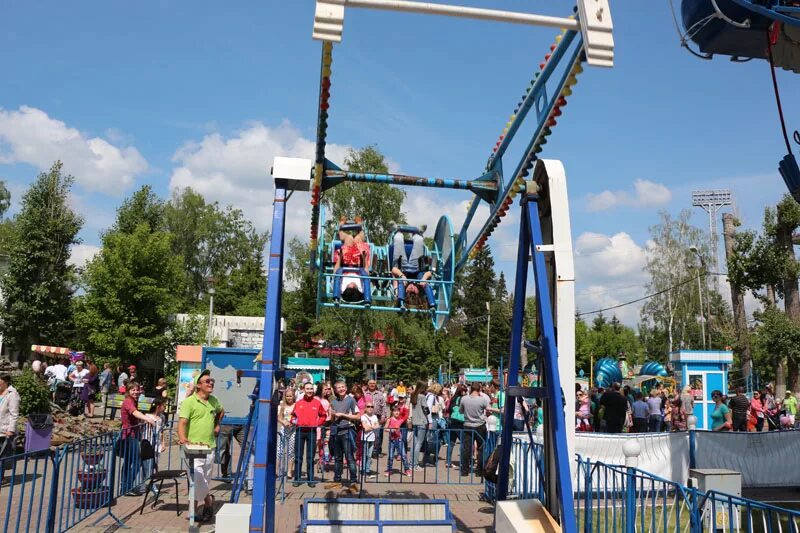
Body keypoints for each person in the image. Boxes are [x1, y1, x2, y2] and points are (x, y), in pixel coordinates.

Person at [178, 370, 224, 522]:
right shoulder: (189, 402)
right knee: (196, 478)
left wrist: (217, 424)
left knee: (204, 479)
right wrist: (183, 439)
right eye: (207, 381)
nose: (211, 383)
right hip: (193, 448)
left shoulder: (214, 400)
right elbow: (182, 423)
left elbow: (221, 411)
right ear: (198, 385)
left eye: (212, 381)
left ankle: (194, 510)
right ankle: (208, 502)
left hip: (210, 446)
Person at [120, 380, 157, 495]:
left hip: (132, 434)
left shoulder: (133, 401)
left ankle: (125, 486)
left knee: (128, 461)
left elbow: (135, 415)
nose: (136, 392)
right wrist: (148, 419)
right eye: (133, 390)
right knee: (136, 461)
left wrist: (142, 420)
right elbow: (134, 412)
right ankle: (127, 487)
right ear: (128, 391)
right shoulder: (128, 401)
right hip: (129, 435)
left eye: (137, 389)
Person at [325, 380, 361, 491]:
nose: (341, 389)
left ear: (346, 388)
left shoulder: (351, 400)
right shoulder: (334, 402)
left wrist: (343, 415)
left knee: (350, 458)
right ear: (335, 390)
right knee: (337, 459)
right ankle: (337, 481)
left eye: (343, 387)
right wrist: (331, 415)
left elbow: (358, 416)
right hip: (336, 431)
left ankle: (354, 482)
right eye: (338, 388)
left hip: (347, 431)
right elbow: (332, 419)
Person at [391, 227, 435, 311]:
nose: (412, 289)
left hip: (401, 265)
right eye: (414, 292)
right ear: (418, 293)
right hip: (416, 266)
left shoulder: (398, 289)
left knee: (398, 239)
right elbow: (429, 273)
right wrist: (424, 279)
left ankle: (398, 231)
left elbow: (393, 270)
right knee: (419, 240)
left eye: (409, 293)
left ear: (405, 293)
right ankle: (417, 233)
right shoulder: (422, 286)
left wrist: (401, 275)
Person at [292, 382, 327, 486]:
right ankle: (297, 478)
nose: (309, 391)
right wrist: (294, 422)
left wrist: (317, 423)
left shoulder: (317, 403)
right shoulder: (298, 403)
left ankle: (310, 479)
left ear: (313, 390)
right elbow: (293, 416)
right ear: (303, 390)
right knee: (298, 456)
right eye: (307, 389)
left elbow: (323, 415)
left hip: (312, 432)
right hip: (300, 431)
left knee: (310, 457)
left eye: (311, 389)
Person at [332, 217, 372, 307]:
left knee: (349, 238)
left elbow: (335, 272)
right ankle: (359, 225)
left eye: (350, 287)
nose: (353, 285)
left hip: (345, 262)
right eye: (354, 287)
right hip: (359, 263)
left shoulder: (341, 287)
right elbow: (366, 272)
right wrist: (364, 257)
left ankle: (341, 226)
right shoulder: (361, 288)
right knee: (358, 239)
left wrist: (340, 256)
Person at [459, 382, 494, 477]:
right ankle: (479, 471)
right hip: (480, 425)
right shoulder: (482, 400)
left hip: (467, 425)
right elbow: (489, 410)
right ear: (479, 390)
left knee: (467, 448)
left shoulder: (464, 399)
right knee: (481, 448)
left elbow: (461, 411)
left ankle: (464, 471)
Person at [0, 374, 21, 485]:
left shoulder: (12, 394)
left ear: (6, 382)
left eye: (0, 383)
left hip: (4, 430)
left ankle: (1, 478)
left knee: (3, 456)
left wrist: (11, 430)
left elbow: (14, 414)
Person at [410, 381, 432, 470]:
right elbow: (426, 409)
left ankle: (411, 463)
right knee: (419, 444)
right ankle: (415, 465)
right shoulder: (422, 396)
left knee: (414, 444)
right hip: (422, 422)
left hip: (415, 421)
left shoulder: (413, 395)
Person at [384, 406, 411, 476]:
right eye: (395, 411)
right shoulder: (389, 419)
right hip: (392, 440)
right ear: (392, 412)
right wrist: (391, 430)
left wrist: (405, 408)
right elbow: (385, 428)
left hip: (399, 440)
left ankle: (407, 469)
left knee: (404, 455)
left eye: (398, 411)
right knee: (390, 456)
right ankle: (389, 470)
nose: (397, 412)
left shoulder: (400, 419)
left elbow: (406, 415)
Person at [277, 387, 297, 478]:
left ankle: (289, 471)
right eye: (288, 396)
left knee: (291, 452)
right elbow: (279, 417)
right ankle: (278, 470)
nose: (289, 398)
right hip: (283, 430)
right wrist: (283, 422)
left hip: (293, 430)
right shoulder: (282, 405)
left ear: (294, 396)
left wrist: (293, 422)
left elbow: (298, 417)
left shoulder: (296, 405)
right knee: (279, 450)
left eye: (291, 396)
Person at [364, 379, 386, 460]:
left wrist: (384, 416)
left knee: (378, 435)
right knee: (368, 434)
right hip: (367, 417)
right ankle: (368, 450)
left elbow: (383, 406)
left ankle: (377, 451)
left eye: (373, 383)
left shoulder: (380, 394)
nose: (372, 384)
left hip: (378, 417)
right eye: (370, 383)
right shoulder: (364, 393)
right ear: (368, 384)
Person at [446, 384, 466, 468]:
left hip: (452, 421)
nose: (466, 392)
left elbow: (449, 409)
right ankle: (462, 461)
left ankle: (448, 461)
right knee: (463, 442)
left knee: (451, 442)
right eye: (465, 390)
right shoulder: (462, 399)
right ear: (461, 391)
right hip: (460, 422)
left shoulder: (453, 398)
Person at [360, 402, 379, 479]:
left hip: (372, 438)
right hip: (365, 438)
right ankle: (364, 470)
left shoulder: (375, 416)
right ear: (365, 408)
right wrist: (373, 426)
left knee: (369, 456)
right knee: (365, 455)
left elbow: (378, 425)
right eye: (368, 406)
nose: (370, 408)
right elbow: (365, 428)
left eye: (372, 406)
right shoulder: (363, 416)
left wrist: (370, 427)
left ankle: (367, 470)